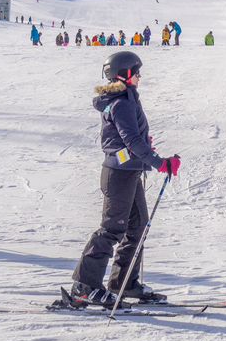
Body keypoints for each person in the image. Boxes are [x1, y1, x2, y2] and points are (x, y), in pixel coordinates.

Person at [68, 51, 180, 308]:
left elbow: (132, 140)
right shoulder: (121, 103)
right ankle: (84, 286)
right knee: (112, 229)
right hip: (119, 175)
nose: (140, 76)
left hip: (129, 173)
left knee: (137, 226)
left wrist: (147, 153)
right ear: (125, 74)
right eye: (137, 71)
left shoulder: (124, 99)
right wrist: (160, 162)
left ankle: (124, 283)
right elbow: (132, 142)